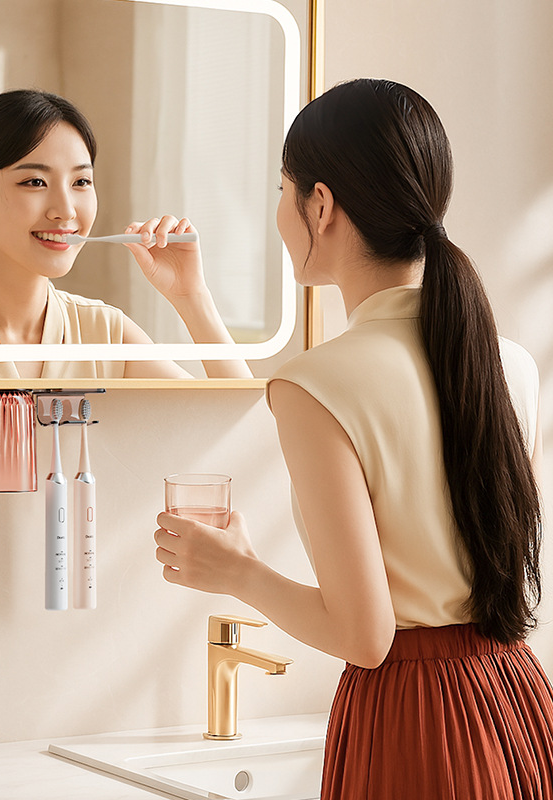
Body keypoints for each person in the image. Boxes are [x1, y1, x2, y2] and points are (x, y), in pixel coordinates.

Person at [154, 78, 552, 798]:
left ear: (321, 204)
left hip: (412, 721)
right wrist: (192, 299)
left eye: (283, 189)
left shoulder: (315, 385)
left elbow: (366, 637)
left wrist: (237, 570)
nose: (280, 212)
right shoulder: (510, 363)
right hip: (516, 699)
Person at [0, 89, 251, 380]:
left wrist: (191, 296)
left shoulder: (104, 332)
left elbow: (240, 426)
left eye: (81, 182)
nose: (66, 210)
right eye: (35, 182)